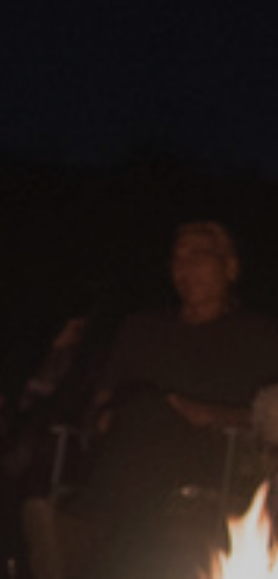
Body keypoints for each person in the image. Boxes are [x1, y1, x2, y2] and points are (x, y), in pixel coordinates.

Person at [37, 221, 278, 579]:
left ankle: (84, 529)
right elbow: (101, 400)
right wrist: (101, 415)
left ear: (230, 267)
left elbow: (270, 416)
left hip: (216, 451)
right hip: (128, 446)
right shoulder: (142, 328)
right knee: (144, 413)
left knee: (149, 415)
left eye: (198, 255)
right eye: (177, 259)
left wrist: (208, 413)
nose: (184, 267)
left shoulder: (260, 336)